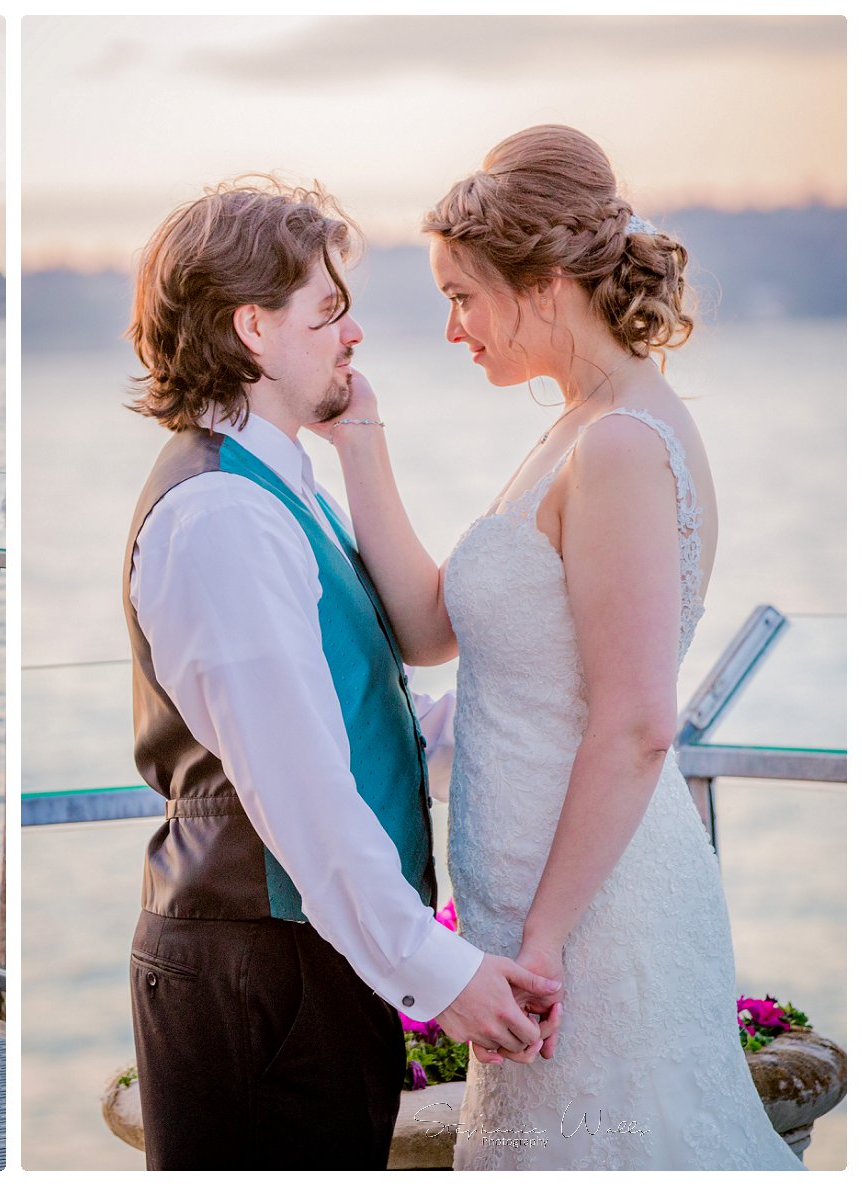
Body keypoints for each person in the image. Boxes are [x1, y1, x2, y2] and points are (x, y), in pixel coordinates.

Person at [315, 126, 804, 1170]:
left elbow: (634, 725)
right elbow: (431, 629)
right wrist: (359, 440)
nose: (452, 329)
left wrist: (541, 939)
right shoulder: (575, 427)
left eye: (461, 295)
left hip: (592, 917)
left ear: (539, 283)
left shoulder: (621, 444)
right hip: (538, 906)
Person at [121, 178, 563, 1170]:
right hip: (258, 979)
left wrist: (534, 728)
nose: (352, 332)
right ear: (252, 329)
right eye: (326, 311)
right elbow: (301, 791)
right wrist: (440, 972)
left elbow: (362, 708)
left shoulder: (274, 481)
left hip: (295, 968)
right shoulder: (220, 517)